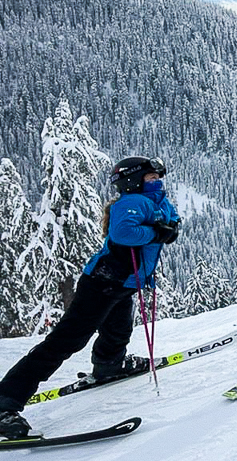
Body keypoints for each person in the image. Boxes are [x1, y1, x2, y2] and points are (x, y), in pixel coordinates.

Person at [0, 156, 180, 439]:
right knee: (65, 341)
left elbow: (170, 218)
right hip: (102, 282)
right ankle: (5, 401)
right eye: (150, 178)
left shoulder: (154, 201)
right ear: (133, 181)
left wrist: (169, 228)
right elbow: (123, 233)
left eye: (157, 177)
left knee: (118, 329)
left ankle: (109, 365)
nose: (157, 181)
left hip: (122, 282)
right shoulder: (131, 202)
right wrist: (157, 233)